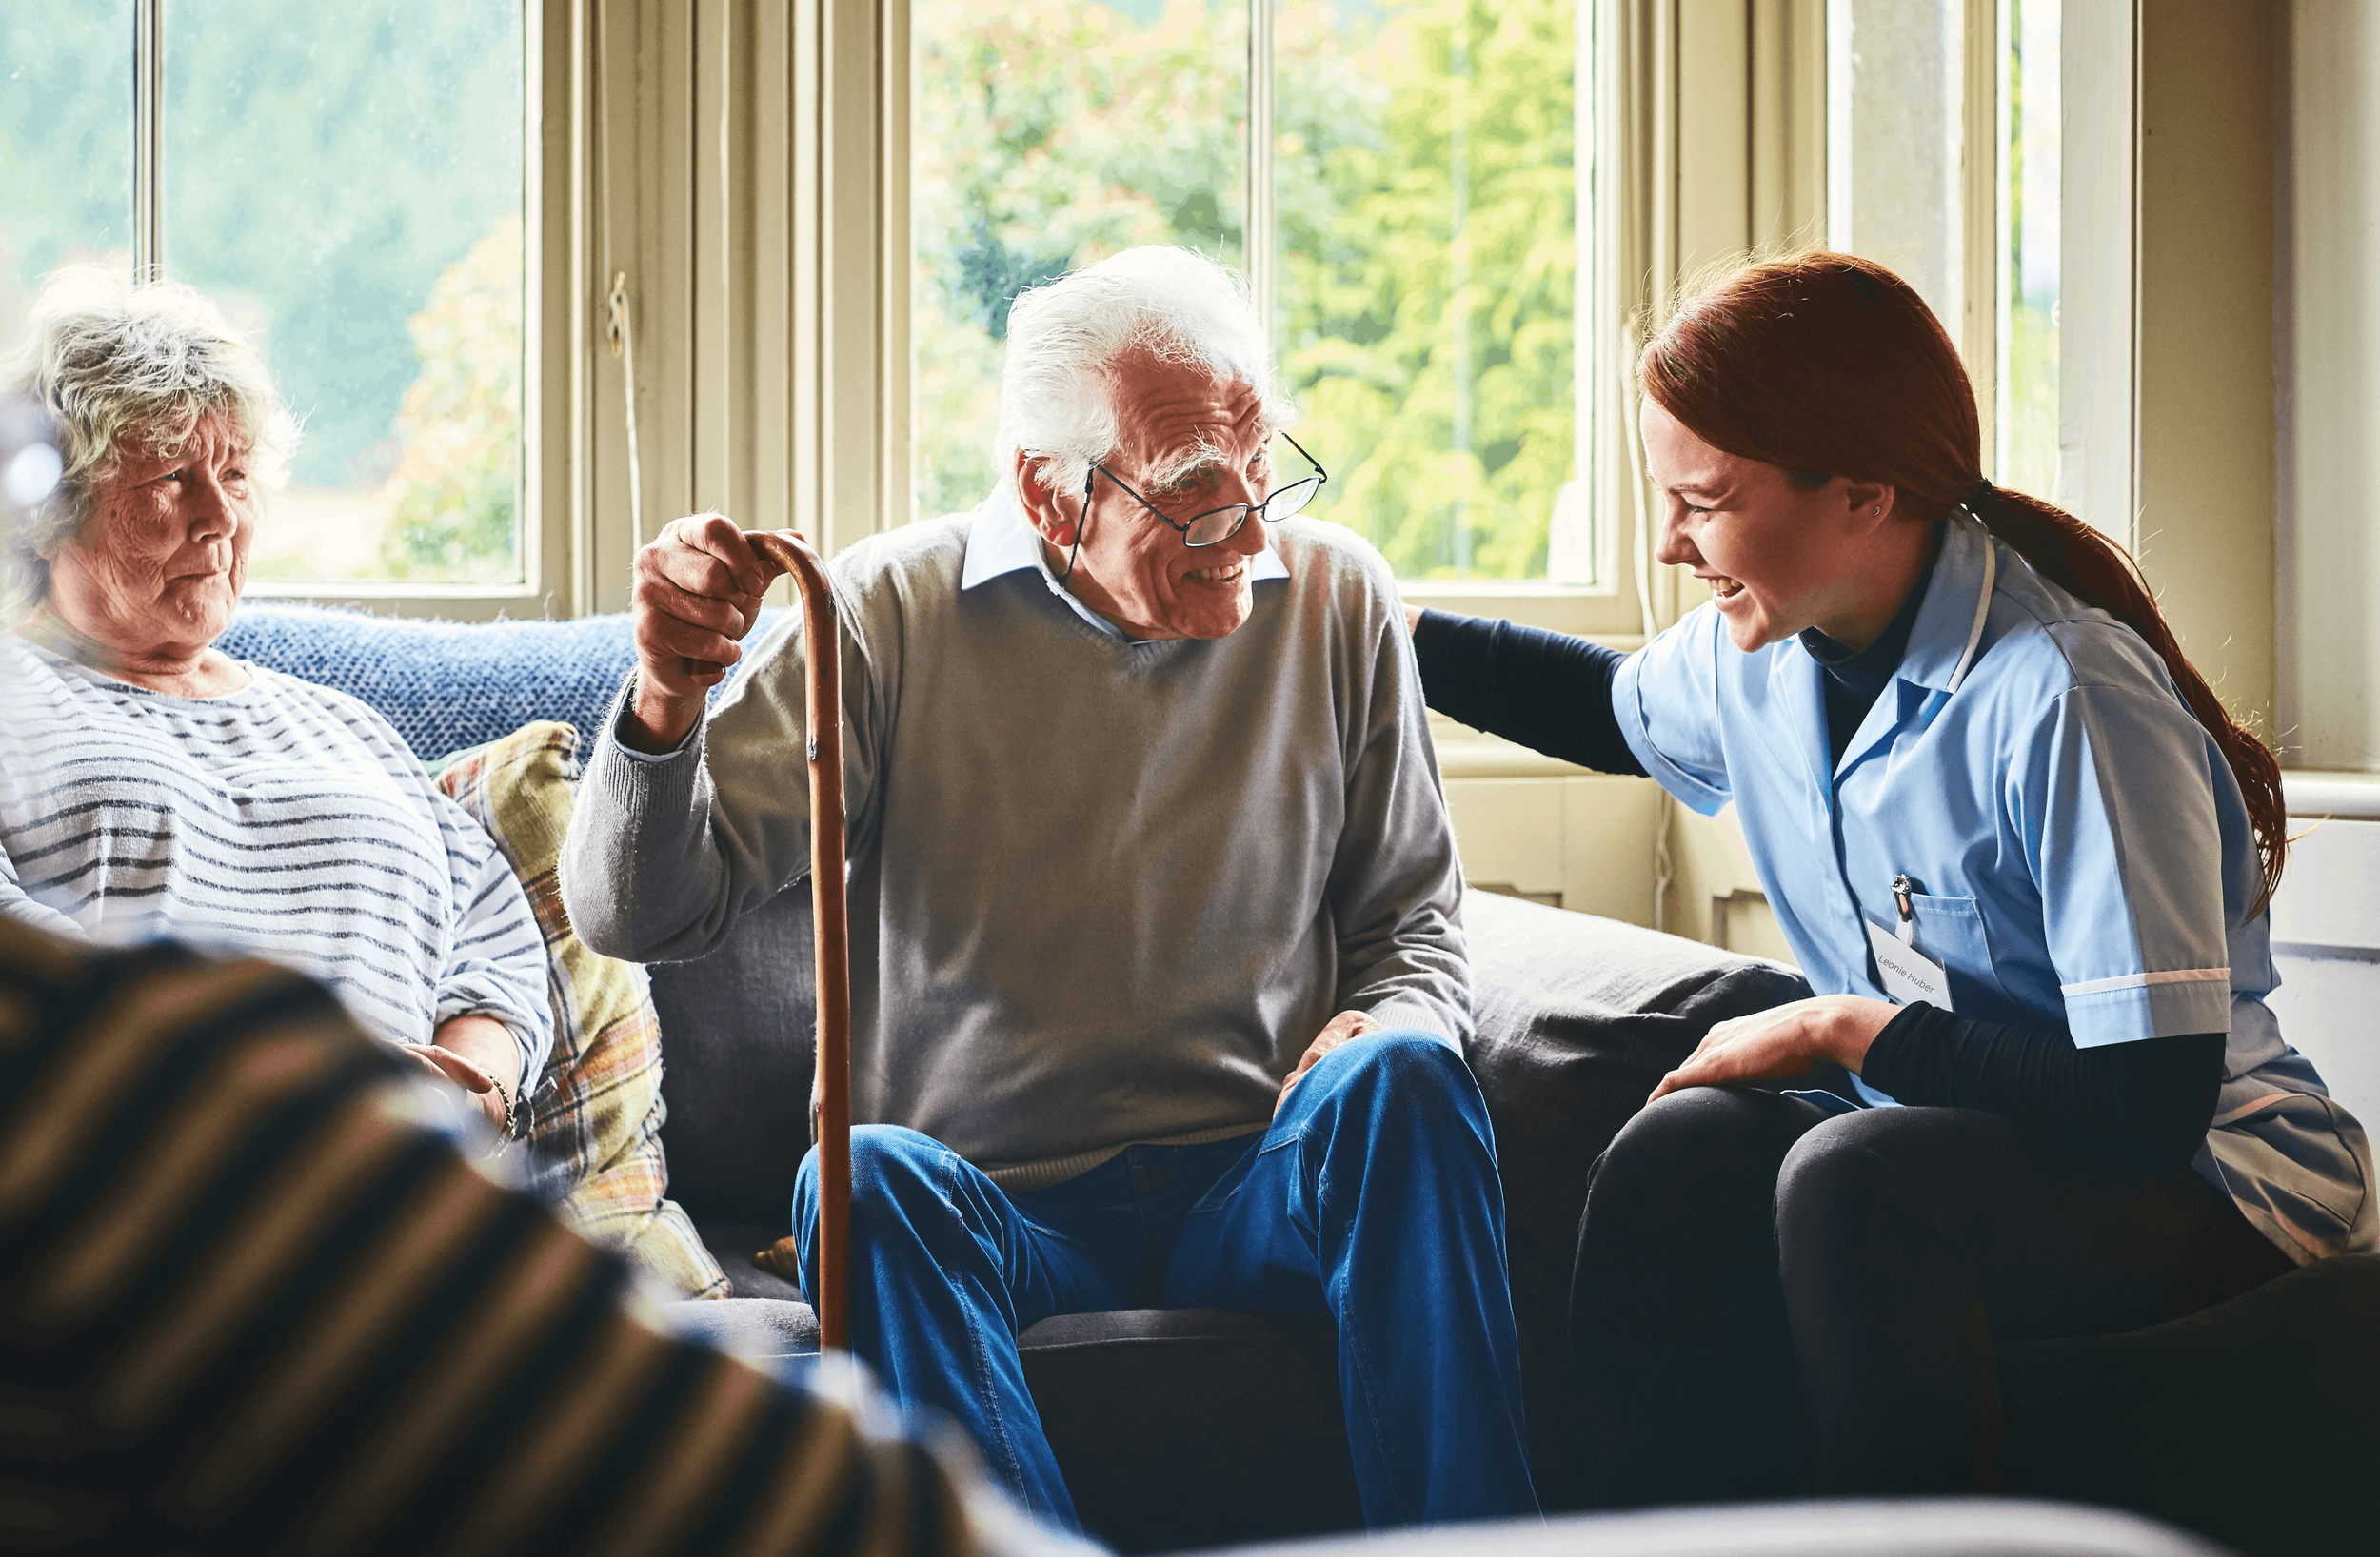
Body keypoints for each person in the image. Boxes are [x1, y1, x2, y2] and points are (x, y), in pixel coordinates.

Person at [563, 246, 1537, 1530]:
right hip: (1001, 1210)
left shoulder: (1339, 598)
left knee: (1405, 1074)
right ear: (1049, 490)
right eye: (1197, 494)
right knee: (860, 1176)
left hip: (1259, 1180)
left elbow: (1412, 925)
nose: (1251, 531)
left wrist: (1398, 1017)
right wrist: (667, 699)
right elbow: (639, 914)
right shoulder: (888, 612)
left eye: (1265, 473)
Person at [1408, 251, 2376, 1502]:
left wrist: (1845, 1027)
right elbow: (1605, 704)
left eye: (1704, 501)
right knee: (1677, 1151)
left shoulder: (2067, 695)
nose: (1666, 543)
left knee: (1852, 1179)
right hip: (1974, 1134)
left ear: (1862, 490)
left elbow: (2147, 1099)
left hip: (2209, 1178)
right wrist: (1378, 623)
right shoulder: (1761, 652)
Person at [0, 912, 1077, 1557]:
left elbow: (499, 950)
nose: (217, 517)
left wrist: (472, 1070)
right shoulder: (114, 1075)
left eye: (240, 504)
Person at [0, 266, 552, 1141]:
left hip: (395, 1192)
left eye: (237, 475)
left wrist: (470, 1089)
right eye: (172, 478)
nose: (220, 517)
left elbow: (497, 945)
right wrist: (286, 1089)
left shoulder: (348, 727)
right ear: (58, 507)